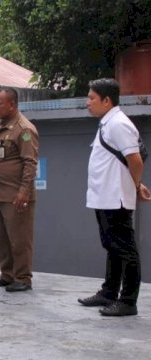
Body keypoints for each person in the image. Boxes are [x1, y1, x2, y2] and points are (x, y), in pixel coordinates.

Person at [78, 78, 151, 316]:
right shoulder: (108, 123)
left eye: (92, 98)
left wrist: (136, 184)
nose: (87, 102)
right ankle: (109, 292)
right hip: (105, 196)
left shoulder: (118, 123)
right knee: (112, 246)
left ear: (107, 101)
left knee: (124, 248)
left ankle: (128, 301)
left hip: (115, 198)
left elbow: (135, 160)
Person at [0, 88, 39, 292]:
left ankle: (23, 278)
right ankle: (7, 274)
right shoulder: (1, 126)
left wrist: (24, 191)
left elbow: (30, 163)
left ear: (12, 105)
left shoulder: (24, 129)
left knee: (19, 239)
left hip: (15, 195)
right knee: (2, 238)